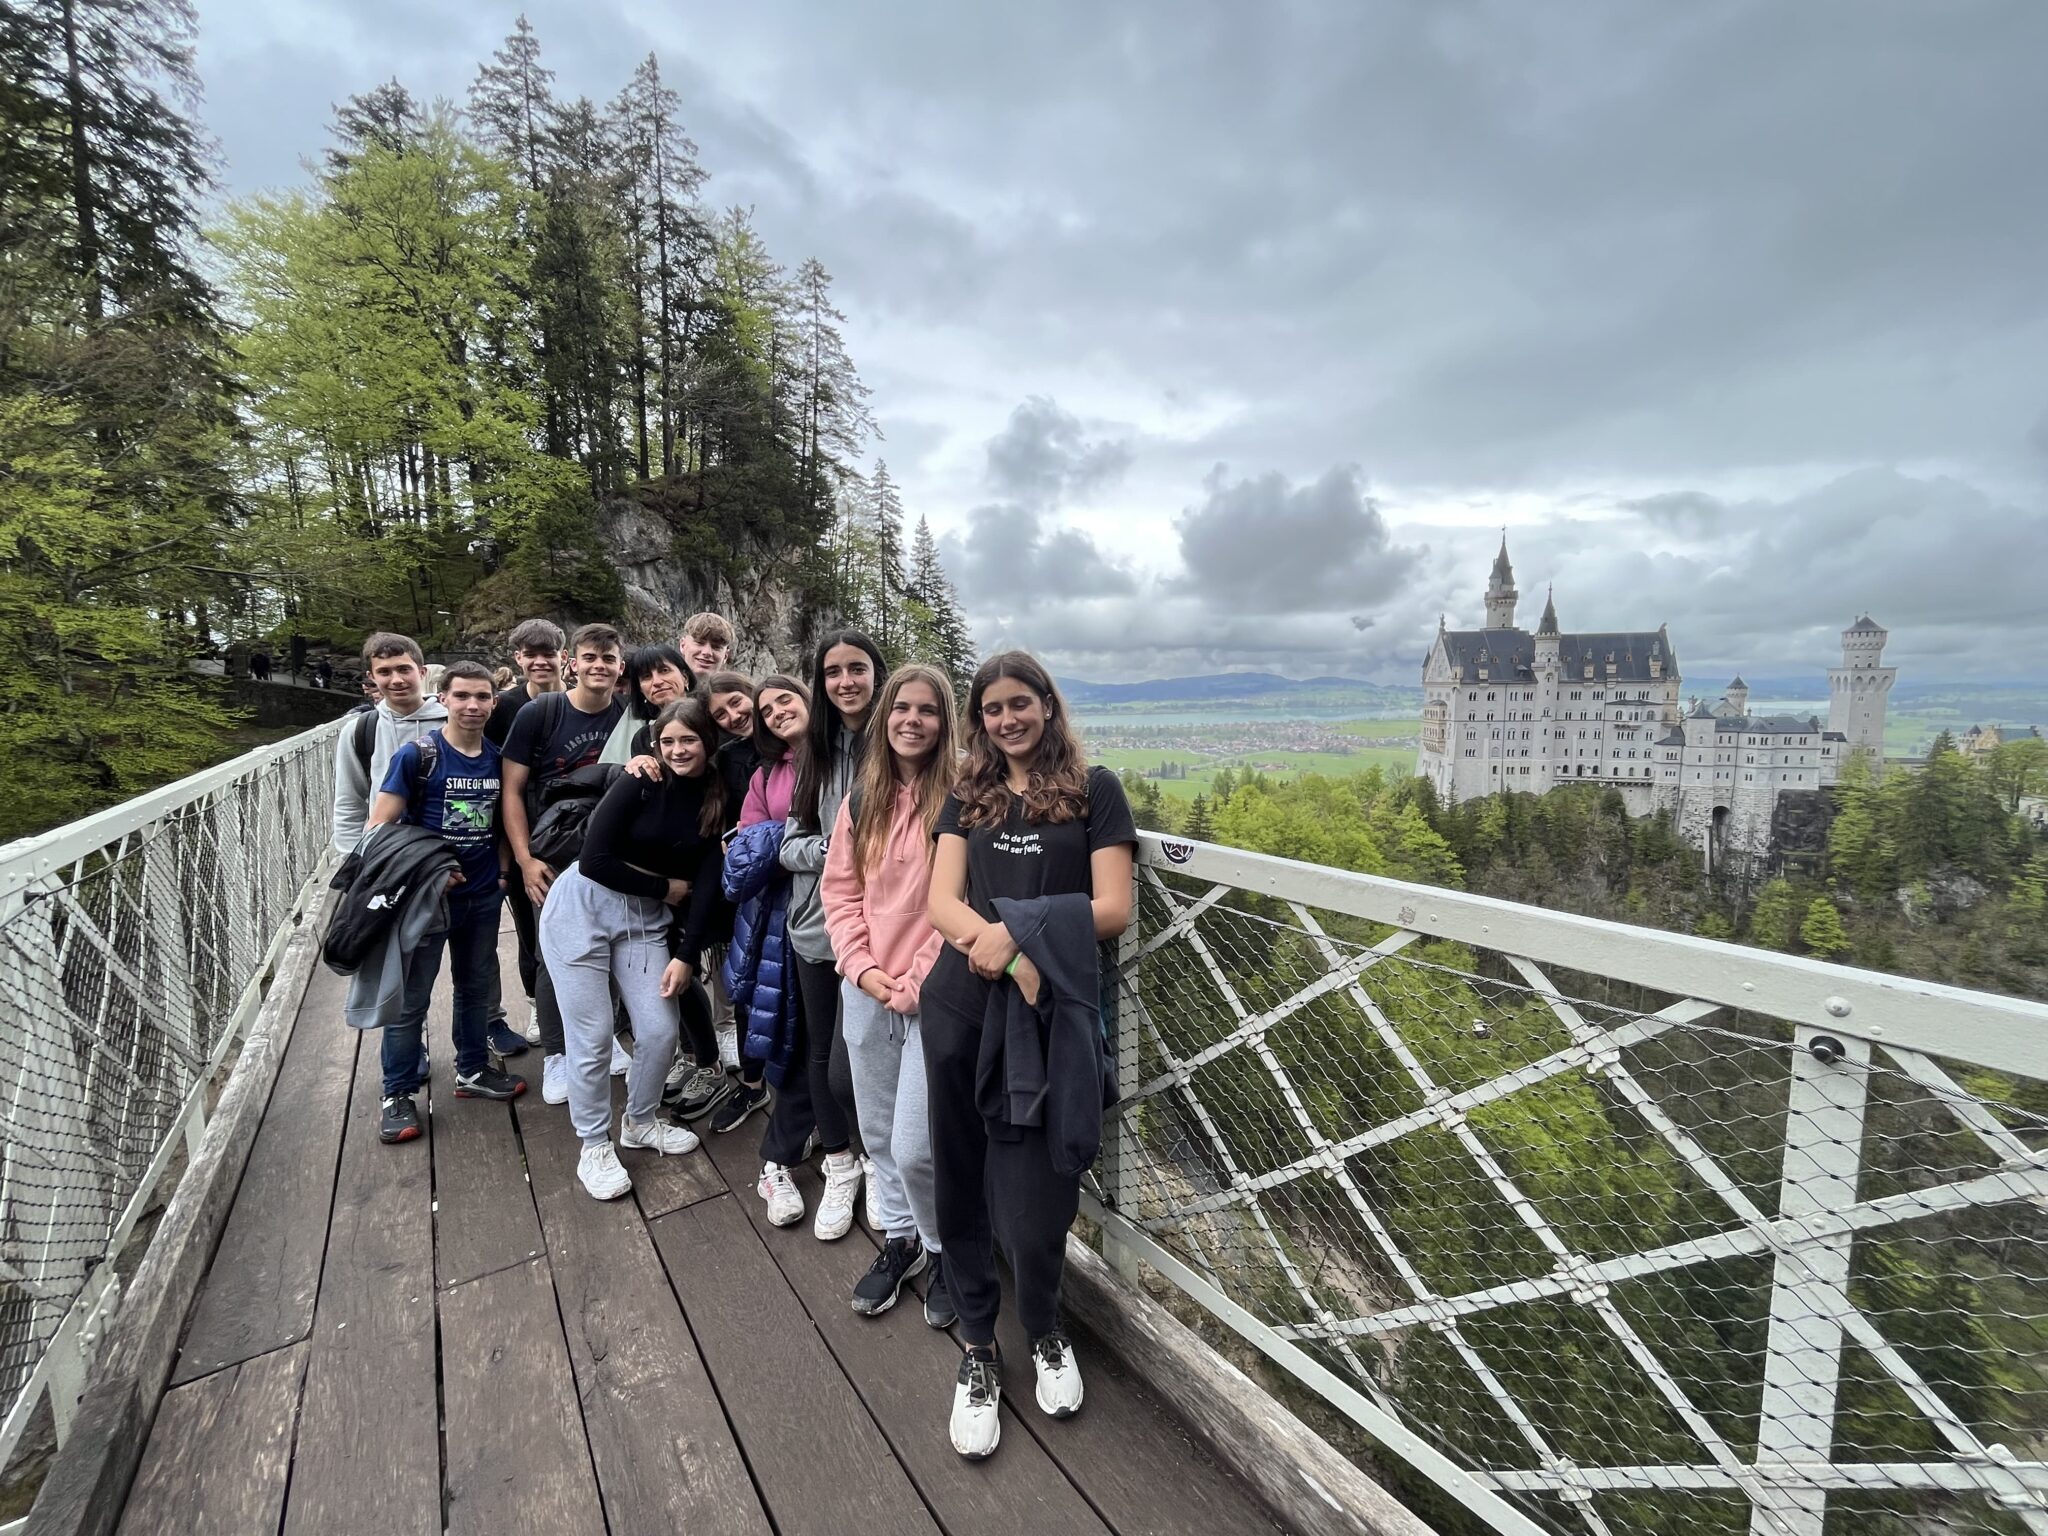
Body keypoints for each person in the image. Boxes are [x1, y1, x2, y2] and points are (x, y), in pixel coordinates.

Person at [923, 651, 1137, 1460]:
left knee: (1038, 1188)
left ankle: (1043, 1325)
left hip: (1044, 1019)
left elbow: (1112, 906)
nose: (1007, 719)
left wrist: (1017, 934)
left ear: (1047, 705)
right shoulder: (968, 792)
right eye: (992, 708)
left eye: (1021, 703)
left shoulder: (1094, 790)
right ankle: (979, 1343)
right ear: (978, 720)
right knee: (959, 1170)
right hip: (962, 1002)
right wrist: (1007, 951)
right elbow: (939, 901)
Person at [539, 697, 724, 1200]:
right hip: (582, 910)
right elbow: (594, 860)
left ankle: (639, 1121)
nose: (678, 750)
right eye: (668, 741)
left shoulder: (714, 795)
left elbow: (708, 881)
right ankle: (593, 1143)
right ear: (655, 745)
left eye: (689, 740)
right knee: (593, 1035)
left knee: (660, 1030)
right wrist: (665, 888)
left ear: (708, 742)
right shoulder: (642, 780)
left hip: (643, 921)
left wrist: (687, 954)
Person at [821, 663, 959, 1324]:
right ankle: (901, 1241)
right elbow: (841, 891)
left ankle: (944, 1248)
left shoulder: (962, 798)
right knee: (878, 1131)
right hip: (868, 988)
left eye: (927, 710)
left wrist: (916, 980)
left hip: (934, 994)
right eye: (902, 708)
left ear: (945, 722)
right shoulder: (862, 798)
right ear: (885, 718)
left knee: (917, 1145)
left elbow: (963, 898)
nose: (912, 720)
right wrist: (861, 968)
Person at [362, 661, 527, 1144]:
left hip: (482, 895)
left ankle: (472, 1069)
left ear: (494, 702)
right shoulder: (419, 756)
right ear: (444, 699)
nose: (472, 706)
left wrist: (501, 874)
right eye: (462, 696)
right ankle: (397, 1093)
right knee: (412, 998)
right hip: (427, 900)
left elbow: (501, 821)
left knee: (474, 988)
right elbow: (379, 828)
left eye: (482, 697)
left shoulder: (497, 758)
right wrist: (427, 872)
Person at [780, 629, 887, 1241]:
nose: (846, 681)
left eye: (857, 668)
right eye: (832, 672)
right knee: (824, 1051)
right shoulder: (815, 753)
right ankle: (840, 1164)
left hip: (888, 931)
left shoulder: (898, 740)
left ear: (877, 673)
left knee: (867, 1056)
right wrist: (836, 849)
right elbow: (789, 845)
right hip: (820, 927)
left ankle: (878, 1162)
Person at [500, 623, 627, 1106]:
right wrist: (525, 860)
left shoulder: (626, 714)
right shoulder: (541, 713)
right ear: (572, 662)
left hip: (608, 853)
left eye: (608, 659)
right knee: (554, 955)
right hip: (551, 853)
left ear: (620, 666)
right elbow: (512, 791)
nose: (599, 666)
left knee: (609, 947)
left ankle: (604, 1038)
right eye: (590, 657)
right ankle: (557, 1054)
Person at [708, 677, 808, 1154]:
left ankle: (808, 1118)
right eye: (768, 710)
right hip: (771, 904)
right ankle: (757, 1089)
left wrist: (775, 841)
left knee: (807, 1016)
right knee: (761, 998)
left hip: (823, 906)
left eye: (784, 700)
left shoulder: (840, 758)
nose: (775, 713)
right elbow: (749, 837)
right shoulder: (763, 771)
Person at [487, 618, 567, 1045]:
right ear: (517, 659)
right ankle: (538, 1004)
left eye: (547, 654)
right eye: (530, 655)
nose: (540, 662)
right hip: (524, 833)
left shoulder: (583, 700)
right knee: (529, 925)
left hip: (574, 832)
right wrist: (515, 856)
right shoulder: (503, 709)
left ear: (563, 657)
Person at [332, 633, 447, 859]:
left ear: (422, 672)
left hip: (445, 851)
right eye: (385, 672)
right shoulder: (360, 730)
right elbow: (349, 801)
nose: (396, 680)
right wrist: (353, 858)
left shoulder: (451, 723)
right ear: (372, 677)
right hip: (387, 854)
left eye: (404, 669)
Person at [608, 643, 695, 763]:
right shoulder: (643, 738)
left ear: (685, 677)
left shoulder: (710, 716)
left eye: (664, 670)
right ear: (641, 690)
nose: (657, 682)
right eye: (646, 676)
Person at [680, 611, 736, 678]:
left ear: (725, 656)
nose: (707, 652)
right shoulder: (669, 682)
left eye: (716, 647)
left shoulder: (736, 684)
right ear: (683, 646)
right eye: (699, 643)